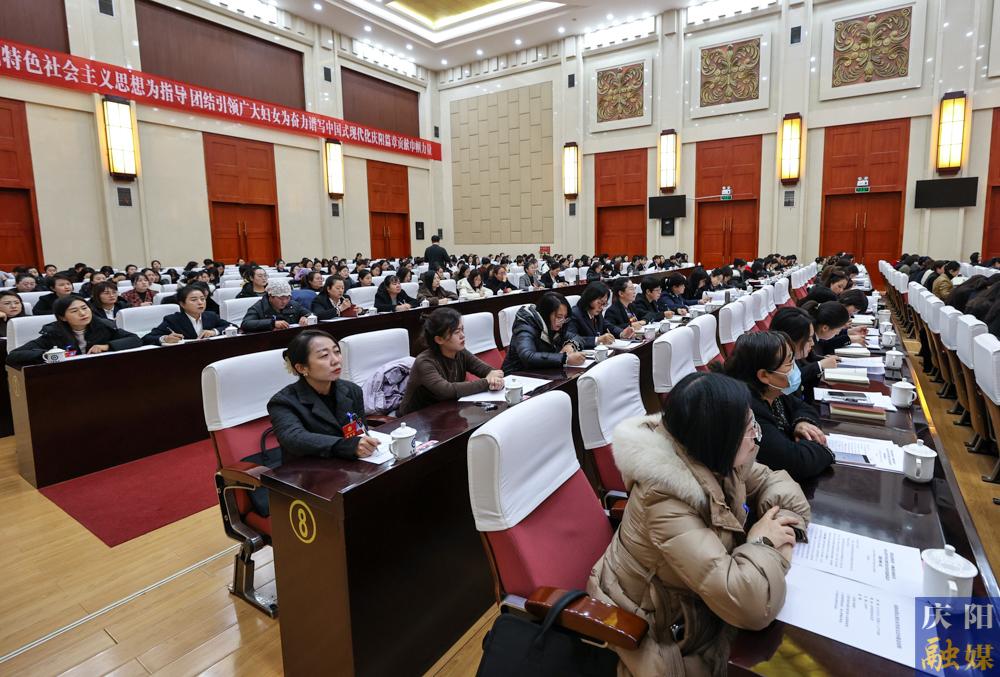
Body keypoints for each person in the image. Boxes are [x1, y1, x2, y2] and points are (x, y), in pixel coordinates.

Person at [587, 371, 810, 677]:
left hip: (698, 601)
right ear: (719, 438)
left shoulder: (715, 456)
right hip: (653, 629)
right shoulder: (664, 502)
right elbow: (752, 608)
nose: (757, 437)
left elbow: (775, 482)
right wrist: (764, 543)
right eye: (749, 429)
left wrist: (780, 525)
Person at [724, 332, 835, 481]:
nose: (795, 368)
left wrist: (802, 423)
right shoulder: (750, 412)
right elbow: (797, 462)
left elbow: (803, 407)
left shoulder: (774, 392)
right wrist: (818, 444)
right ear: (764, 375)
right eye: (789, 363)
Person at [398, 308, 505, 415]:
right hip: (415, 418)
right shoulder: (424, 362)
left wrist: (494, 378)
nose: (462, 335)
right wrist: (487, 382)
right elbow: (446, 390)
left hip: (446, 411)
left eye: (462, 329)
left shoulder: (460, 352)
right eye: (456, 332)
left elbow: (489, 371)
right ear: (439, 339)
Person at [7, 295, 142, 366]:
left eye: (84, 308)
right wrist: (48, 354)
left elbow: (135, 339)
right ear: (62, 317)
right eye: (74, 311)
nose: (82, 313)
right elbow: (13, 356)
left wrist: (106, 346)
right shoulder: (53, 333)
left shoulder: (103, 326)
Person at [502, 292, 586, 373]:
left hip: (541, 372)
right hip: (516, 375)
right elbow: (528, 356)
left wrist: (570, 345)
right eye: (559, 317)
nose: (562, 321)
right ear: (546, 314)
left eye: (565, 317)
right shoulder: (526, 326)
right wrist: (565, 358)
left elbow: (576, 337)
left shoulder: (554, 326)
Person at [770, 306, 837, 401]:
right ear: (790, 340)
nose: (812, 343)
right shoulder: (778, 372)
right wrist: (819, 366)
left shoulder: (793, 359)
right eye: (808, 339)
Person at [143, 285, 232, 344]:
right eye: (194, 300)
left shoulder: (210, 316)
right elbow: (147, 338)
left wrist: (214, 332)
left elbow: (231, 326)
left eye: (202, 299)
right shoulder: (173, 320)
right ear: (182, 304)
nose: (200, 302)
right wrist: (165, 338)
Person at [565, 281, 625, 346]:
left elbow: (609, 326)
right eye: (599, 302)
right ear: (589, 298)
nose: (602, 307)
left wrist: (622, 333)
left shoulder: (597, 314)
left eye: (604, 304)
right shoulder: (575, 314)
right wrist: (597, 340)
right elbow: (572, 339)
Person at [241, 279, 310, 332]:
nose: (284, 301)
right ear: (270, 296)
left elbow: (310, 314)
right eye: (280, 298)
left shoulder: (293, 304)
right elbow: (246, 324)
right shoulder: (259, 307)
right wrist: (272, 323)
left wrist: (305, 317)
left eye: (287, 297)